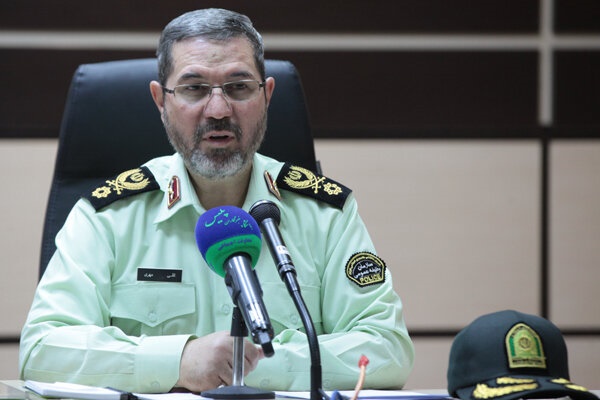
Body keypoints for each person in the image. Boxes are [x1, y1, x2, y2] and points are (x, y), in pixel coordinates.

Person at [19, 8, 414, 393]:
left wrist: (251, 363)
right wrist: (178, 361)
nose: (219, 110)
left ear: (267, 95)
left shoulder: (325, 214)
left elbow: (387, 348)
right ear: (161, 101)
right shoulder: (108, 217)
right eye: (194, 89)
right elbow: (43, 349)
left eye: (239, 87)